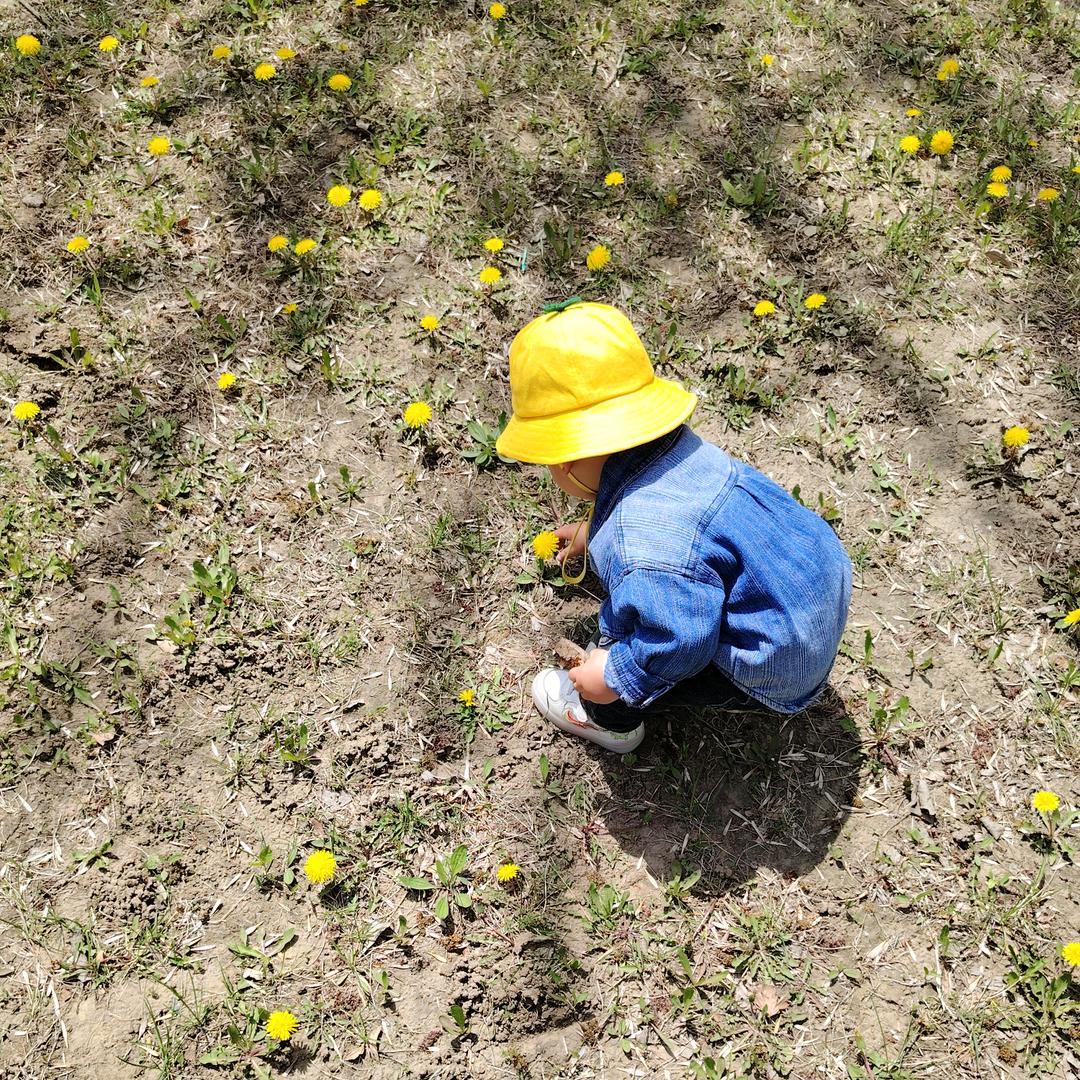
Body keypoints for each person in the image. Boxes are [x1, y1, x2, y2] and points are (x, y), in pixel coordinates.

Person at [494, 299, 852, 753]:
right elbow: (697, 537)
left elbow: (679, 640)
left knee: (634, 655)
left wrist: (614, 674)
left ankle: (608, 721)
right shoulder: (685, 453)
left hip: (781, 667)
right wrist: (595, 535)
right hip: (808, 600)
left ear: (564, 460)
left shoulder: (643, 543)